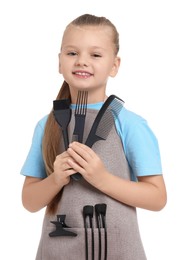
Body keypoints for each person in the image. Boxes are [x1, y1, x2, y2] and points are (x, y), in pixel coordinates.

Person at [21, 14, 167, 260]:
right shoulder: (47, 125)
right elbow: (29, 202)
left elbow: (157, 198)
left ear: (114, 65)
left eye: (96, 55)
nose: (82, 62)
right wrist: (56, 178)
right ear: (59, 62)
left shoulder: (130, 124)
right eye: (72, 53)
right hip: (58, 250)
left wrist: (102, 179)